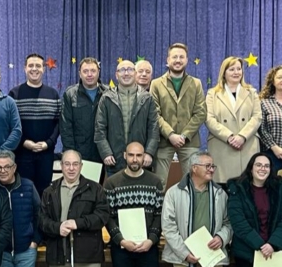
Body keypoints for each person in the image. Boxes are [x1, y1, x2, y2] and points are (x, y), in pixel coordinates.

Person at [161, 151, 232, 267]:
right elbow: (168, 227)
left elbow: (229, 223)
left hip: (213, 256)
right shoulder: (174, 192)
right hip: (183, 257)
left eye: (212, 166)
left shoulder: (220, 194)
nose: (212, 170)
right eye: (207, 166)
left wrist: (221, 238)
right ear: (194, 168)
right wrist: (185, 253)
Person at [150, 43, 207, 187]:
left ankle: (191, 209)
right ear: (167, 60)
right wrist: (170, 134)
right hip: (164, 141)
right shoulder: (156, 84)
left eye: (181, 57)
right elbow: (154, 114)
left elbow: (201, 112)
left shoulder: (196, 83)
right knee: (159, 183)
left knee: (194, 183)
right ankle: (159, 210)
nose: (178, 60)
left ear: (187, 60)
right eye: (174, 56)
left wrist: (184, 135)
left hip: (189, 141)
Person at [9, 53, 61, 196]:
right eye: (30, 65)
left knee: (44, 193)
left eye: (38, 66)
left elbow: (58, 123)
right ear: (25, 68)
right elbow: (11, 124)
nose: (34, 69)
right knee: (23, 192)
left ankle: (42, 219)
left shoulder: (53, 94)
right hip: (22, 153)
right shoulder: (14, 94)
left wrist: (49, 143)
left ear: (44, 69)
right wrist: (24, 142)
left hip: (46, 154)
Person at [94, 60, 159, 175]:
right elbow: (100, 129)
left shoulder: (147, 98)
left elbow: (153, 128)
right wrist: (106, 153)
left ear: (135, 73)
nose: (126, 73)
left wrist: (149, 152)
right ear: (116, 75)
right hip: (114, 159)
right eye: (122, 70)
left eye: (130, 69)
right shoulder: (107, 98)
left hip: (140, 161)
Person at [205, 57, 262, 185]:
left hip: (247, 146)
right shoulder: (212, 93)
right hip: (222, 146)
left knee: (248, 188)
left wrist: (242, 136)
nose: (236, 72)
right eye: (232, 69)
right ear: (224, 73)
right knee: (223, 189)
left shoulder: (251, 92)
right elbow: (209, 119)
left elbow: (257, 116)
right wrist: (230, 137)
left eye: (239, 69)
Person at [60, 57, 108, 163]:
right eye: (85, 71)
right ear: (79, 73)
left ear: (98, 72)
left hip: (104, 154)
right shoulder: (70, 94)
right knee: (83, 180)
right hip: (80, 153)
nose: (89, 75)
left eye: (93, 71)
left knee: (105, 180)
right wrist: (70, 153)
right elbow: (66, 127)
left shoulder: (108, 93)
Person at [259, 65, 282, 173]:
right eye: (279, 77)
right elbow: (262, 129)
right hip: (272, 155)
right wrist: (274, 147)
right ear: (273, 81)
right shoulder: (264, 102)